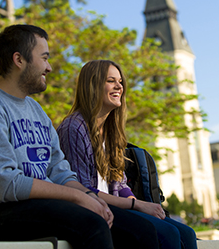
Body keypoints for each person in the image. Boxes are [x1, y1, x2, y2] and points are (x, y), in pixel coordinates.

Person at [0, 24, 159, 249]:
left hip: (36, 207)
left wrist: (89, 195)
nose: (49, 67)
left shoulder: (36, 111)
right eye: (44, 58)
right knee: (92, 225)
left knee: (143, 231)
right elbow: (6, 184)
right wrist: (77, 198)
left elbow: (59, 172)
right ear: (19, 60)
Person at [57, 59, 198, 249]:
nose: (119, 86)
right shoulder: (74, 127)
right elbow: (83, 190)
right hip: (94, 210)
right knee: (166, 234)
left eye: (120, 82)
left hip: (116, 206)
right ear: (92, 84)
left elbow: (120, 182)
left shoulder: (110, 130)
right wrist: (137, 206)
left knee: (187, 233)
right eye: (111, 81)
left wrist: (136, 201)